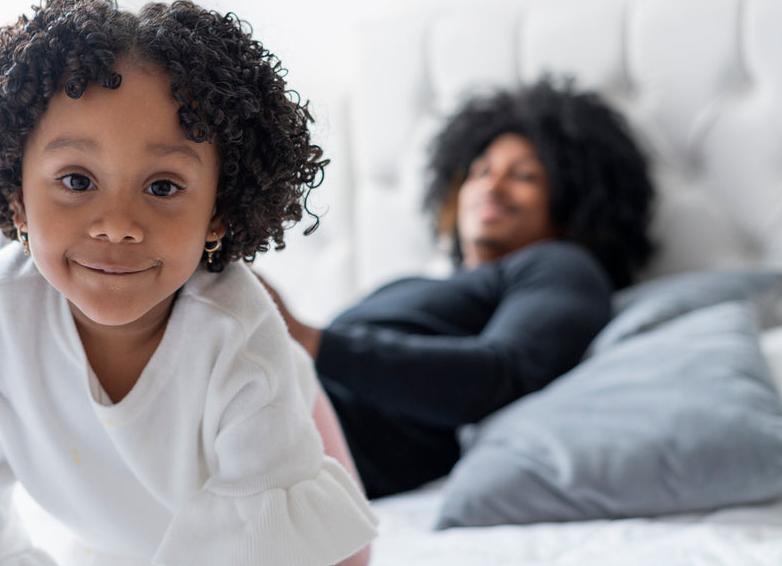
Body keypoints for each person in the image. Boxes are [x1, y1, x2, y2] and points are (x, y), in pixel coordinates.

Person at [0, 0, 377, 566]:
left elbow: (265, 541)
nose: (118, 226)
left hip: (283, 465)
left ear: (218, 213)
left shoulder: (238, 336)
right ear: (17, 199)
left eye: (162, 187)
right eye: (77, 180)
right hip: (123, 518)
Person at [263, 77, 656, 498]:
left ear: (569, 200)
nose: (492, 185)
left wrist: (308, 340)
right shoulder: (417, 285)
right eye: (480, 170)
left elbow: (501, 375)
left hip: (298, 451)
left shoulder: (561, 266)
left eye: (523, 175)